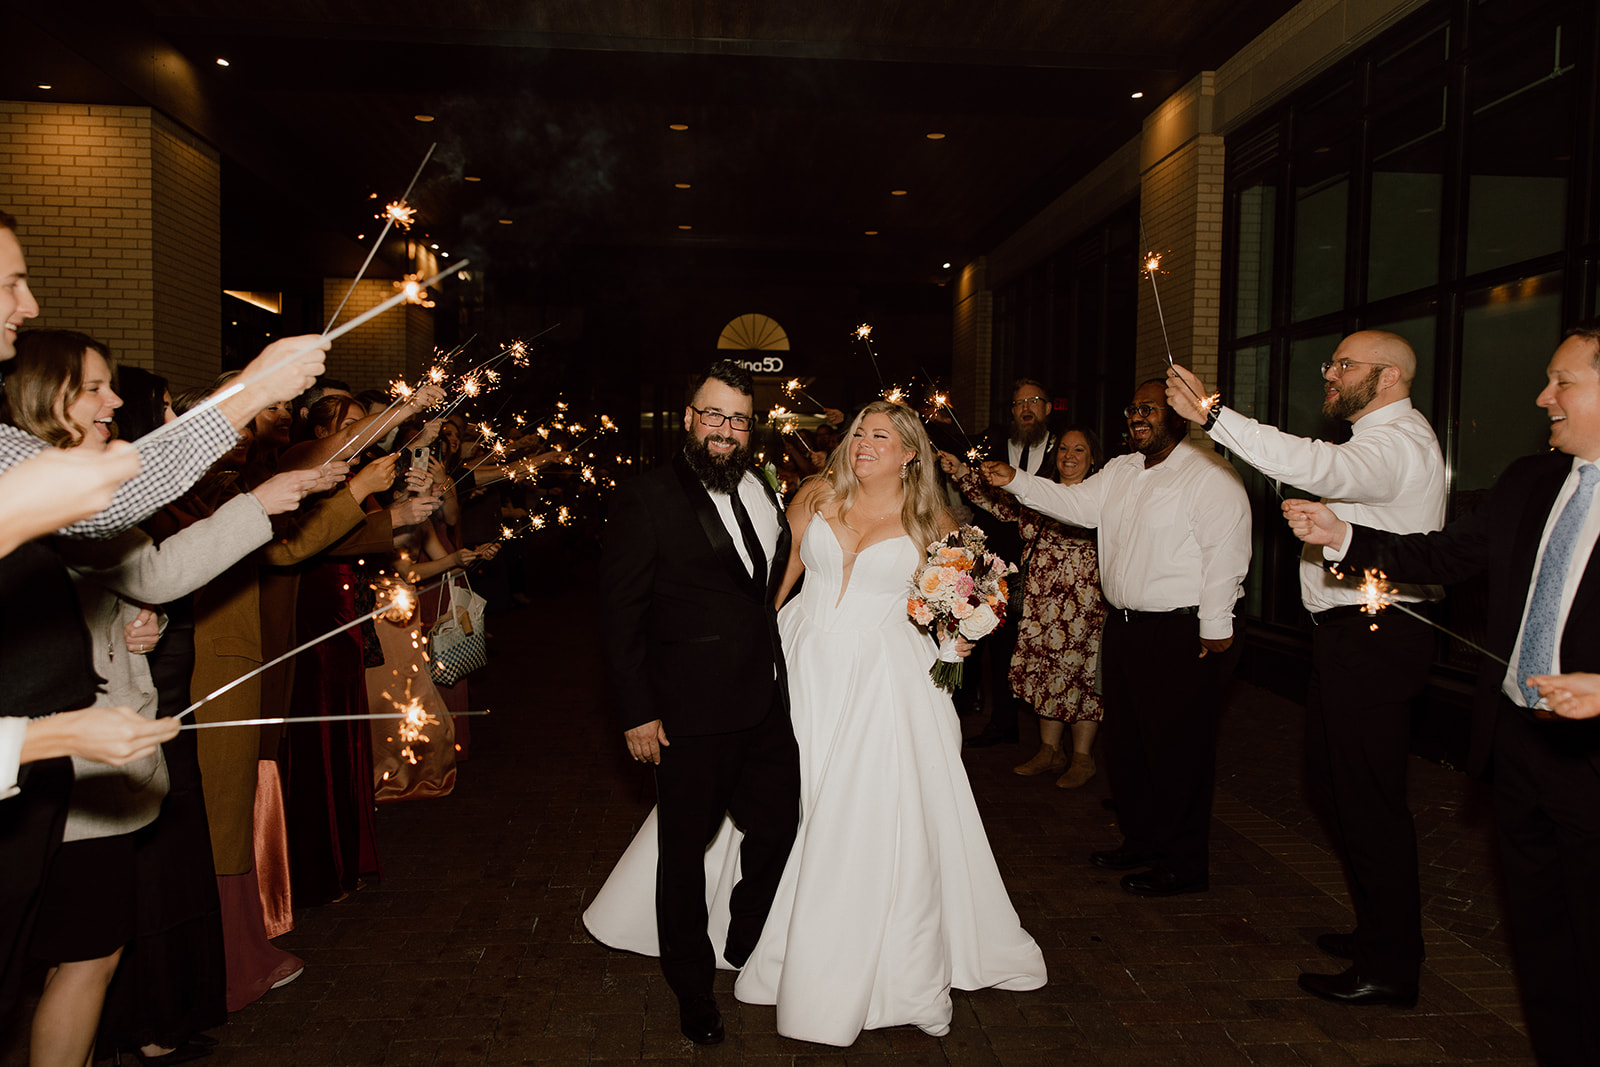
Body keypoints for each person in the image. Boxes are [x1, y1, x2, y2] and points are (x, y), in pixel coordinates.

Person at [588, 398, 1047, 1046]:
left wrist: (960, 634)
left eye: (880, 435)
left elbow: (961, 602)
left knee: (861, 813)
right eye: (860, 431)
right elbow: (769, 586)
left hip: (885, 678)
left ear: (909, 451)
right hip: (801, 661)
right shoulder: (816, 495)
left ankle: (845, 950)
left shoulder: (935, 519)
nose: (863, 442)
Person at [1283, 321, 1600, 1064]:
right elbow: (1442, 553)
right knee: (1543, 950)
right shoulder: (1531, 480)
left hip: (1595, 760)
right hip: (1521, 745)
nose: (1541, 395)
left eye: (1563, 383)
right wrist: (1343, 537)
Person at [1165, 333, 1446, 1008]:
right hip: (1349, 639)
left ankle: (1392, 964)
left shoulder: (1398, 440)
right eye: (1332, 362)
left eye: (1345, 364)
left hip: (1374, 640)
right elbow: (1330, 476)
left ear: (1389, 377)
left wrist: (1216, 415)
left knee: (1368, 798)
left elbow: (1319, 468)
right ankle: (1379, 930)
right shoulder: (1374, 440)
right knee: (1336, 784)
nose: (1330, 372)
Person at [587, 360, 799, 1045]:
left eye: (737, 418)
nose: (724, 430)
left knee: (777, 824)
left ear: (750, 428)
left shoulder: (766, 493)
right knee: (683, 852)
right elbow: (619, 615)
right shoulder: (647, 498)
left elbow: (762, 591)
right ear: (688, 418)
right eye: (713, 415)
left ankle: (744, 933)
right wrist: (635, 710)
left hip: (764, 701)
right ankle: (691, 983)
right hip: (685, 714)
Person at [984, 379, 1251, 896]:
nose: (1137, 417)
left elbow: (1227, 553)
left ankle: (1183, 864)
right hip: (1125, 627)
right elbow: (1077, 505)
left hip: (1183, 630)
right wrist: (1015, 479)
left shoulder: (1209, 476)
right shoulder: (1123, 470)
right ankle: (1142, 841)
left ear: (1177, 414)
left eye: (1149, 409)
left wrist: (1216, 629)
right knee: (1128, 746)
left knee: (1177, 751)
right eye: (1133, 409)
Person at [944, 428, 1106, 787]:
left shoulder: (1102, 494)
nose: (1069, 455)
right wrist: (960, 473)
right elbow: (1000, 505)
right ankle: (1050, 750)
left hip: (1084, 606)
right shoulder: (1040, 491)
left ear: (1092, 457)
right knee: (1046, 672)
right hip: (1041, 602)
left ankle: (1082, 757)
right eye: (1063, 448)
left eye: (1079, 449)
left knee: (1080, 677)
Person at [964, 380, 1055, 746]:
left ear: (1048, 407)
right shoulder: (992, 445)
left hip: (1043, 562)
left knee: (1038, 645)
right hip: (996, 562)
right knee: (996, 642)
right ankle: (1002, 722)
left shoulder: (1061, 450)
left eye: (1034, 401)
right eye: (1019, 403)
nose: (1026, 408)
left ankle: (1046, 733)